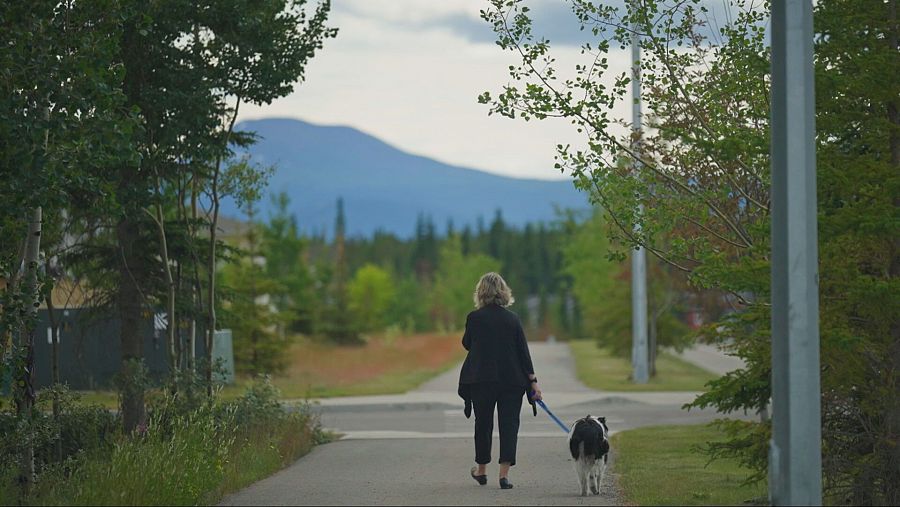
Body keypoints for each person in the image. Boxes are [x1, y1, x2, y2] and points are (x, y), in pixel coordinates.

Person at [457, 272, 541, 490]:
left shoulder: (474, 318)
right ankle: (504, 476)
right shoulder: (513, 319)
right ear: (503, 292)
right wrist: (533, 381)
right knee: (509, 425)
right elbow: (523, 352)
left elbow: (467, 344)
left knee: (483, 424)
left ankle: (482, 471)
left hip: (482, 380)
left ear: (481, 292)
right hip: (512, 381)